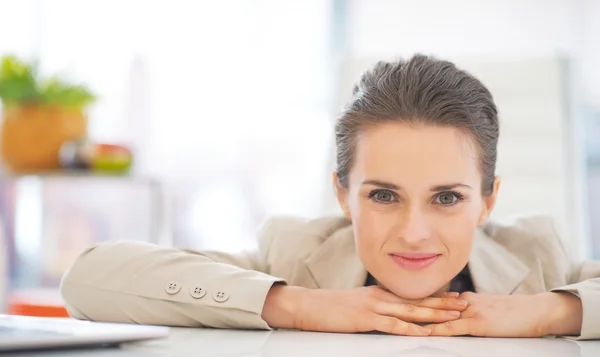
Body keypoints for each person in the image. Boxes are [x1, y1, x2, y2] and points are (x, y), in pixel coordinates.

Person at [60, 54, 600, 339]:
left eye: (448, 198)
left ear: (488, 200)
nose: (414, 231)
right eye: (385, 195)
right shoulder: (296, 256)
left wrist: (549, 314)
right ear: (343, 194)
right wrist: (293, 304)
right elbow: (87, 278)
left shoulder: (537, 260)